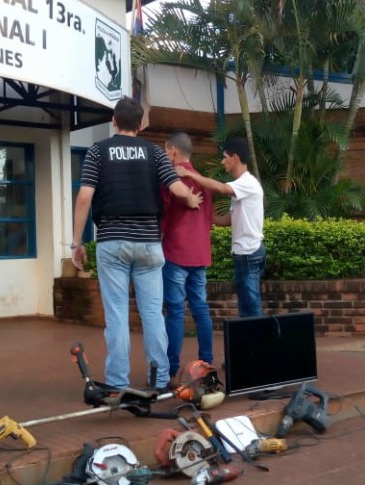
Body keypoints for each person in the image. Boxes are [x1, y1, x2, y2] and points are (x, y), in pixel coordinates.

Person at [70, 97, 201, 390]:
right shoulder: (155, 153)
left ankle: (117, 382)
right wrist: (191, 197)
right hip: (148, 243)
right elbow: (178, 188)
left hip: (112, 241)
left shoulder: (97, 152)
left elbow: (84, 197)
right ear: (140, 125)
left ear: (113, 121)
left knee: (116, 314)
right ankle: (160, 377)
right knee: (153, 313)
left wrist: (76, 243)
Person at [175, 137, 265, 317]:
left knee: (251, 307)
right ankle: (249, 344)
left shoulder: (247, 183)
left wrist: (189, 174)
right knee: (246, 306)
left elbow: (221, 189)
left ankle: (259, 343)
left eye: (225, 157)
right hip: (244, 254)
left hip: (248, 252)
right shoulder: (242, 186)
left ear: (235, 158)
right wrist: (204, 215)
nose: (223, 161)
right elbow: (229, 219)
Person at [160, 132, 214, 388]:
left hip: (176, 251)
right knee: (201, 309)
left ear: (172, 151)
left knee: (175, 311)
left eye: (164, 151)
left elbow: (164, 216)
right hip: (199, 252)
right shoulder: (202, 181)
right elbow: (208, 220)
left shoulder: (170, 180)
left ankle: (171, 370)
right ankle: (206, 365)